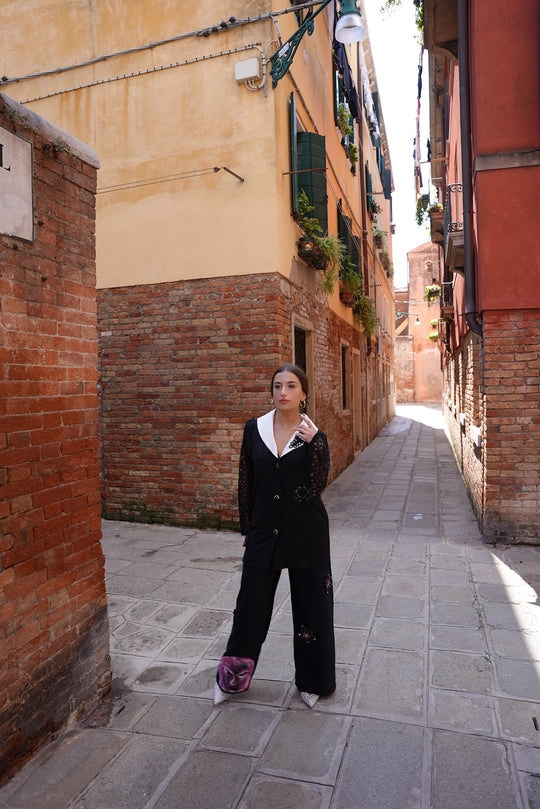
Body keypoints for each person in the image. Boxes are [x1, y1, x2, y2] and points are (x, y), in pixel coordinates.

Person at [214, 364, 335, 709]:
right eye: (278, 385)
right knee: (249, 608)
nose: (283, 391)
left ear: (303, 394)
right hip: (265, 533)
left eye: (291, 386)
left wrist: (318, 445)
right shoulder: (255, 430)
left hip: (307, 533)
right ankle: (232, 679)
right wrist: (250, 531)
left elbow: (316, 486)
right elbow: (245, 484)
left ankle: (313, 682)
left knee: (313, 608)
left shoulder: (313, 434)